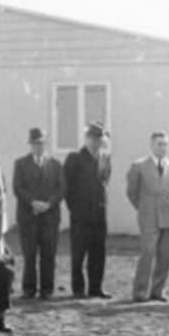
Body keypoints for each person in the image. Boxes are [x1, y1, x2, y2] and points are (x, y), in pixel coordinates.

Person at [126, 131, 169, 302]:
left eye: (165, 144)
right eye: (159, 144)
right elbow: (132, 192)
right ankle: (140, 291)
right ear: (151, 145)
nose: (163, 148)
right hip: (148, 214)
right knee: (148, 253)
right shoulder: (139, 166)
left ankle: (158, 290)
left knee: (166, 255)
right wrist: (144, 207)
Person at [12, 127, 65, 300]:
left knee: (48, 254)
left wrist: (48, 204)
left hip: (49, 216)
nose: (38, 147)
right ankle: (29, 288)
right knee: (29, 254)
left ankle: (47, 289)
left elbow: (62, 188)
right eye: (35, 143)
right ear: (30, 145)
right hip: (29, 216)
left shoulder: (55, 164)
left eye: (41, 143)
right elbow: (17, 188)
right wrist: (32, 202)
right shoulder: (20, 164)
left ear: (45, 143)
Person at [64, 122, 112, 299]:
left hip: (99, 214)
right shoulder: (74, 158)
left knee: (98, 253)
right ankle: (78, 289)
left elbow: (104, 182)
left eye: (99, 138)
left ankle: (96, 288)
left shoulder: (105, 158)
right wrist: (74, 210)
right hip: (80, 215)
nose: (95, 141)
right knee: (78, 254)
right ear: (86, 138)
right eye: (92, 138)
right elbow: (67, 187)